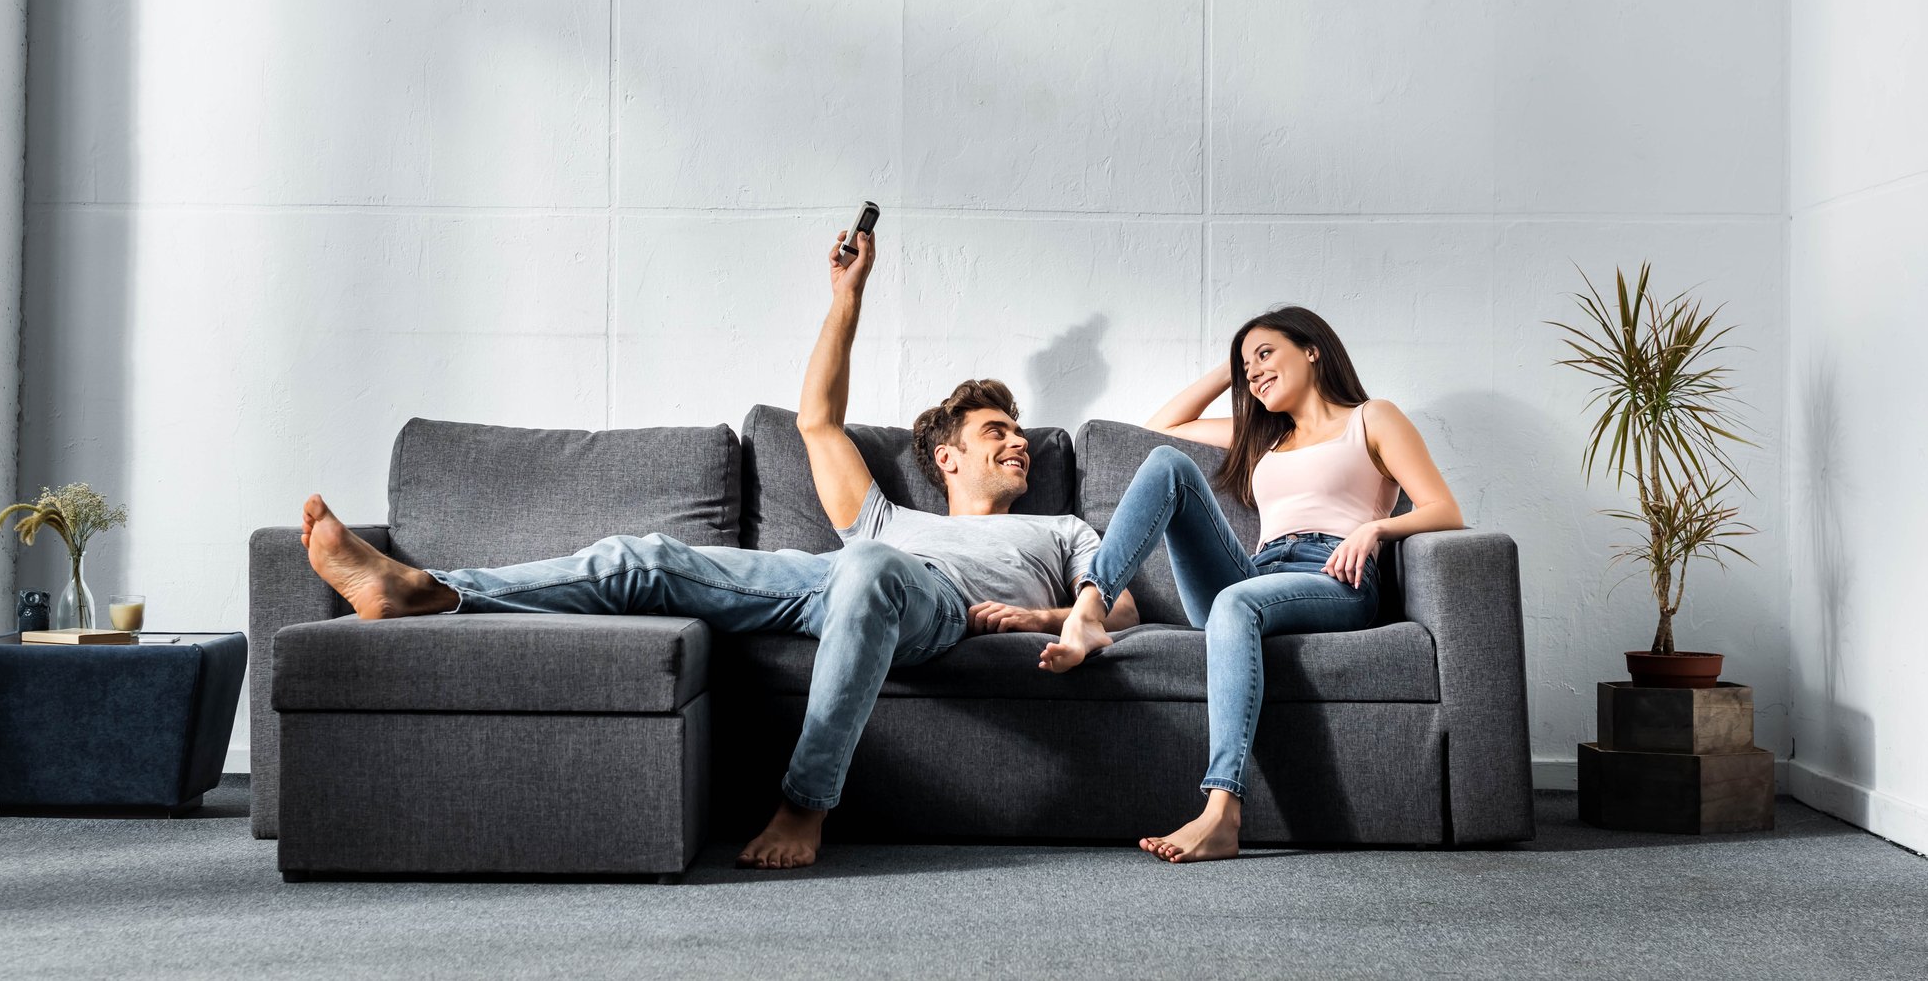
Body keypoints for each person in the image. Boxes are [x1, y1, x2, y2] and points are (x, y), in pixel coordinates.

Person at [295, 223, 1138, 869]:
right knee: (648, 556)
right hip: (828, 576)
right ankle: (428, 592)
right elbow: (816, 421)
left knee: (872, 571)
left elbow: (1124, 607)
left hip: (930, 604)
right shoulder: (885, 517)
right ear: (946, 457)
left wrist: (1039, 614)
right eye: (998, 430)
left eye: (1023, 434)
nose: (1019, 442)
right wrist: (847, 293)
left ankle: (807, 803)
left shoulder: (1058, 527)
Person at [1028, 306, 1465, 863]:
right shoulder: (1265, 436)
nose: (1254, 373)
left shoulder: (1371, 419)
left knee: (1234, 604)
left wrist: (1376, 528)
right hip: (1256, 573)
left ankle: (1221, 811)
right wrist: (1232, 371)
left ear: (1312, 349)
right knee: (1167, 463)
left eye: (1265, 355)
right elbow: (1158, 431)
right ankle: (1088, 611)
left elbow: (1445, 509)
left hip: (1332, 574)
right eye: (1246, 367)